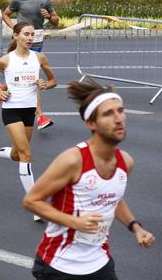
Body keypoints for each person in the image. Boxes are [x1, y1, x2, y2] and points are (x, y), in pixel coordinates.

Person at [23, 78, 155, 279]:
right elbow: (31, 201)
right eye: (108, 114)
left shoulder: (125, 162)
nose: (118, 118)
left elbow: (112, 197)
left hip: (100, 263)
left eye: (120, 110)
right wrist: (74, 222)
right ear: (91, 123)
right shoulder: (73, 160)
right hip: (59, 265)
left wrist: (135, 227)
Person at [0, 22, 57, 220]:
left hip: (29, 111)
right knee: (26, 154)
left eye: (32, 35)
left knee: (16, 155)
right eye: (26, 34)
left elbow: (53, 81)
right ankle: (34, 203)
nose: (30, 38)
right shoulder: (5, 60)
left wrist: (45, 84)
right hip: (11, 111)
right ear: (16, 36)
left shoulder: (39, 58)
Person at [1, 0, 59, 131]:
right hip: (21, 41)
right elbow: (5, 14)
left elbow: (56, 20)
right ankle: (40, 117)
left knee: (27, 76)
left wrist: (48, 16)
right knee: (31, 78)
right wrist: (16, 30)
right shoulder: (19, 0)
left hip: (37, 41)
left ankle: (1, 90)